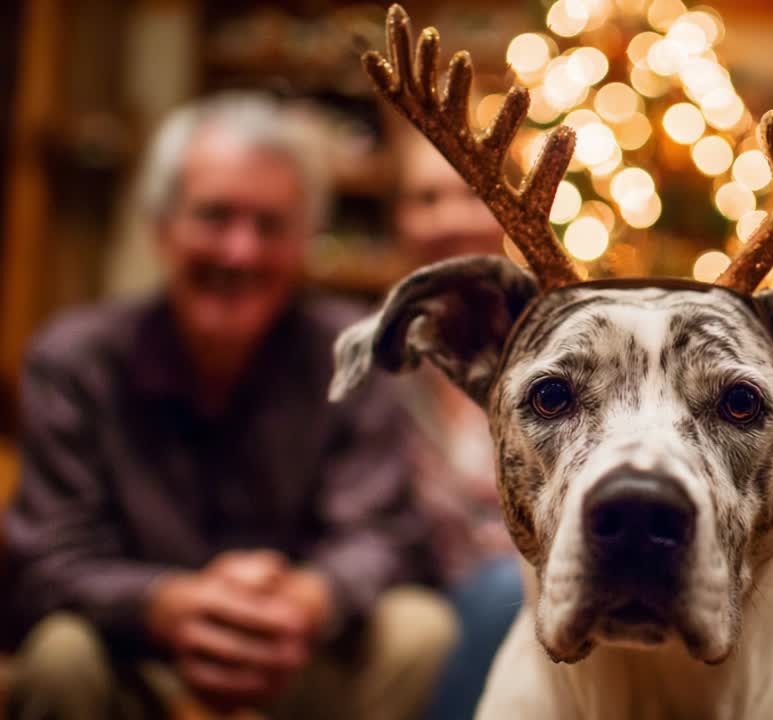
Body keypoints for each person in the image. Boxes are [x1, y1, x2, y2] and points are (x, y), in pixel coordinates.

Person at [3, 93, 456, 720]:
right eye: (215, 217)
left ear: (302, 244)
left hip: (295, 660)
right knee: (58, 654)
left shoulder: (351, 352)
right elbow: (46, 562)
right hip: (139, 659)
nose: (240, 252)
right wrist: (169, 605)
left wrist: (308, 599)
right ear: (160, 227)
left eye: (270, 226)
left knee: (419, 630)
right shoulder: (75, 361)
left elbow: (384, 535)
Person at [392, 130, 526, 720]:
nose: (448, 218)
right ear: (400, 217)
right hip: (414, 585)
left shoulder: (547, 354)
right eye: (426, 198)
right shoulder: (374, 355)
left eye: (470, 196)